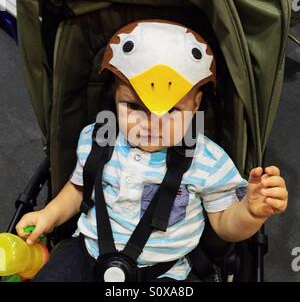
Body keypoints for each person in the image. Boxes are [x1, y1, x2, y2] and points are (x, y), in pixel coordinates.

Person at [16, 20, 288, 282]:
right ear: (115, 97)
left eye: (172, 111)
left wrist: (251, 213)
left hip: (163, 271)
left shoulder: (208, 161)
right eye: (134, 107)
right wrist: (48, 215)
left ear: (195, 106)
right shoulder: (96, 139)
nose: (151, 123)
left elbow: (224, 225)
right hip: (87, 251)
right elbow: (78, 188)